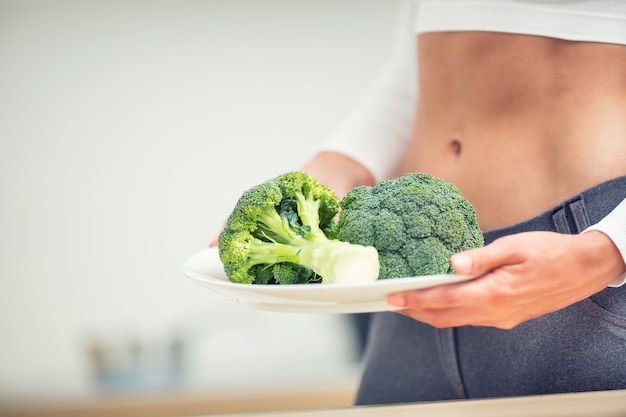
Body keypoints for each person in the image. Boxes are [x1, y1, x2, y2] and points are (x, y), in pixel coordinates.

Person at [212, 0, 626, 405]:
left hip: (573, 268)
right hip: (405, 272)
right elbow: (418, 63)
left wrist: (606, 250)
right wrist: (343, 161)